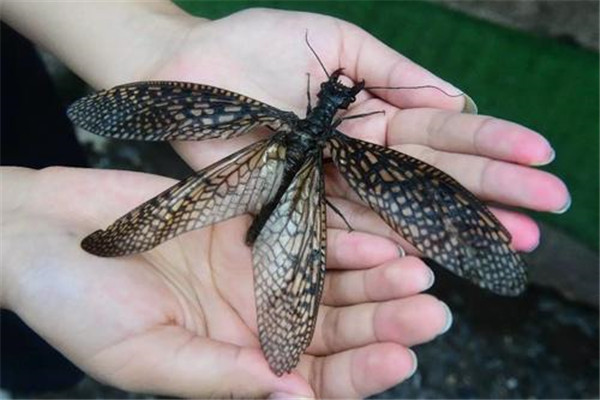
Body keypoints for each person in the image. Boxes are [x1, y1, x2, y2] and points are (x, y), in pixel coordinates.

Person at [0, 2, 570, 398]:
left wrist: (19, 214)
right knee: (33, 356)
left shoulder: (283, 121)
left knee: (39, 359)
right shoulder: (347, 142)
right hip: (298, 181)